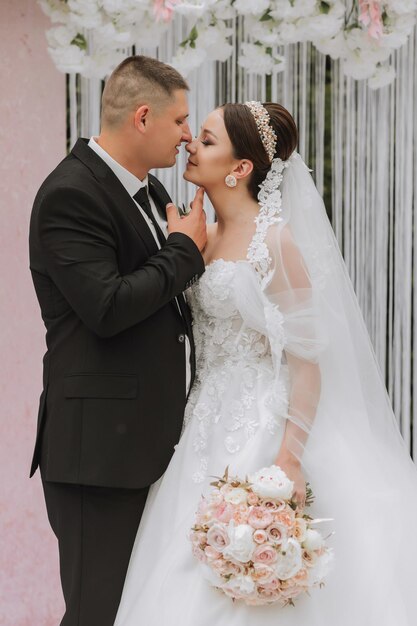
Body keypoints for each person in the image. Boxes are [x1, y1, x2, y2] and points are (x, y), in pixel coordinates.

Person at [114, 101, 417, 626]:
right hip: (200, 427)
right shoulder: (198, 236)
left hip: (261, 427)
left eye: (206, 141)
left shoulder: (274, 242)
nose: (190, 144)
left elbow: (307, 362)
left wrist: (290, 460)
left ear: (241, 168)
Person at [29, 55, 207, 626]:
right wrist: (184, 252)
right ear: (143, 117)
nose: (186, 136)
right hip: (98, 457)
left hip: (149, 449)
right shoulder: (71, 194)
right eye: (180, 122)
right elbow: (106, 308)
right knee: (97, 614)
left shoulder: (150, 192)